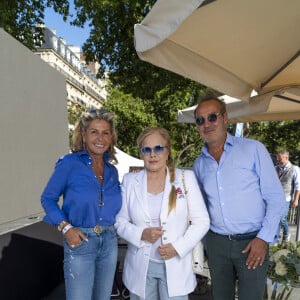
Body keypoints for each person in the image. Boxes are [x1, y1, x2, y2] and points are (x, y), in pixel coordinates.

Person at [192, 95, 285, 300]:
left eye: (212, 117)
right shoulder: (199, 165)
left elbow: (276, 198)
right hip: (216, 244)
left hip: (253, 242)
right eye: (200, 120)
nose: (206, 124)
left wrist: (263, 238)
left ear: (225, 118)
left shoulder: (253, 149)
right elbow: (200, 208)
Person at [115, 127, 209, 300]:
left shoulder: (185, 178)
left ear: (168, 152)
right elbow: (120, 221)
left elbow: (202, 221)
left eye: (158, 148)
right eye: (147, 150)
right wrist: (140, 233)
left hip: (176, 266)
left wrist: (177, 247)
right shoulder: (129, 181)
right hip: (140, 267)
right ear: (141, 153)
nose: (153, 154)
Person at [41, 109, 122, 300]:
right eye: (94, 132)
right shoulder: (69, 163)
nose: (100, 138)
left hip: (110, 241)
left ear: (111, 137)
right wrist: (66, 227)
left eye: (105, 132)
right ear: (84, 135)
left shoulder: (112, 171)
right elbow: (48, 199)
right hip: (80, 241)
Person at [275, 149, 300, 242]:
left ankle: (286, 234)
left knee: (281, 218)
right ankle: (276, 237)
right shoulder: (275, 168)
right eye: (277, 159)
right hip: (275, 198)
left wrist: (296, 200)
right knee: (274, 217)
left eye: (280, 159)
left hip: (286, 198)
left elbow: (298, 186)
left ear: (286, 158)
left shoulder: (295, 169)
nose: (278, 161)